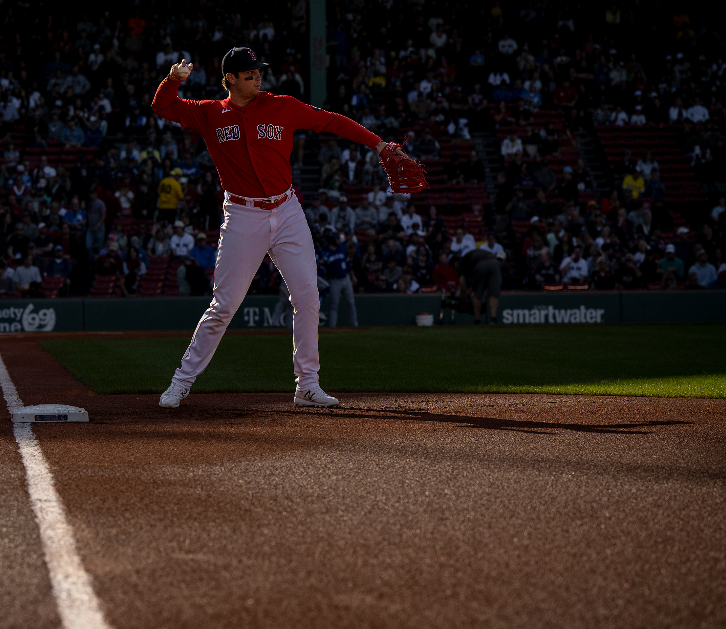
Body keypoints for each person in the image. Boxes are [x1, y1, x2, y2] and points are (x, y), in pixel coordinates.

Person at [151, 48, 405, 408]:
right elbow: (162, 106)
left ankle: (308, 385)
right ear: (230, 79)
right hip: (243, 215)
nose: (258, 78)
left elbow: (331, 121)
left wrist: (378, 144)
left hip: (287, 210)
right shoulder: (209, 113)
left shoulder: (281, 105)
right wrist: (173, 80)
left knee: (308, 298)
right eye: (250, 74)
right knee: (224, 306)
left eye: (259, 72)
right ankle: (181, 382)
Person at [459, 244, 502, 324]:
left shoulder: (461, 263)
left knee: (477, 294)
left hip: (480, 263)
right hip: (494, 262)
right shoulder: (476, 253)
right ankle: (493, 319)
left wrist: (463, 302)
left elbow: (462, 285)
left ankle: (477, 320)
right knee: (493, 294)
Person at [322, 234, 357, 327]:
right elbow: (322, 267)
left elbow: (348, 265)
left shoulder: (341, 250)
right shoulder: (326, 253)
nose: (338, 241)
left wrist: (353, 276)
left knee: (351, 302)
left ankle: (354, 323)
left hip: (345, 278)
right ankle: (332, 326)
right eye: (337, 239)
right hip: (334, 280)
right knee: (334, 305)